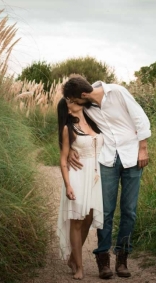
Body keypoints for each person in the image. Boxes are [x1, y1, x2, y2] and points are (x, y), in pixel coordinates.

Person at [64, 75, 151, 279]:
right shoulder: (84, 103)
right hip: (106, 159)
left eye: (76, 100)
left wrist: (143, 148)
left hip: (132, 157)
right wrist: (67, 149)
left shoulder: (117, 92)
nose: (74, 104)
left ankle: (122, 257)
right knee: (105, 211)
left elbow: (140, 118)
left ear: (83, 95)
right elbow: (65, 113)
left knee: (129, 210)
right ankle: (103, 259)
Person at [56, 97, 104, 280]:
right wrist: (68, 185)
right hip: (77, 176)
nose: (73, 101)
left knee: (89, 217)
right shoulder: (68, 129)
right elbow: (63, 159)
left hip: (95, 178)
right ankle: (79, 267)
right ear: (67, 110)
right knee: (76, 220)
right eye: (69, 101)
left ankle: (72, 258)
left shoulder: (94, 119)